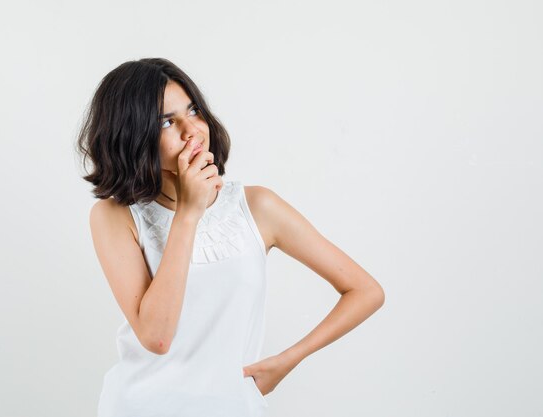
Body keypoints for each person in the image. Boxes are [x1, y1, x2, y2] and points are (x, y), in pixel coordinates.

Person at [76, 58, 385, 417]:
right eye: (166, 121)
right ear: (132, 134)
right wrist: (188, 214)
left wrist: (287, 361)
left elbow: (366, 291)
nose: (191, 130)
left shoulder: (256, 206)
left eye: (193, 110)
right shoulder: (115, 216)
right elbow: (157, 337)